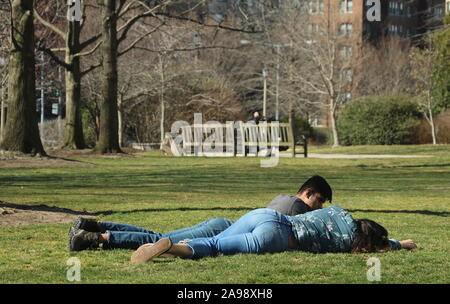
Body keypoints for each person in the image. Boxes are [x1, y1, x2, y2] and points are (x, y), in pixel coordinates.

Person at [68, 175, 332, 252]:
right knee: (161, 240)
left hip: (223, 225)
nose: (318, 209)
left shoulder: (282, 198)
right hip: (222, 230)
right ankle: (94, 238)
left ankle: (91, 226)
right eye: (318, 201)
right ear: (307, 192)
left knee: (158, 235)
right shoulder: (297, 210)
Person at [130, 206, 418, 263]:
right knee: (218, 247)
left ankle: (170, 246)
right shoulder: (348, 244)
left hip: (264, 215)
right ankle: (177, 250)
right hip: (278, 237)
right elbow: (384, 246)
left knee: (221, 237)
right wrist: (401, 244)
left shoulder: (337, 211)